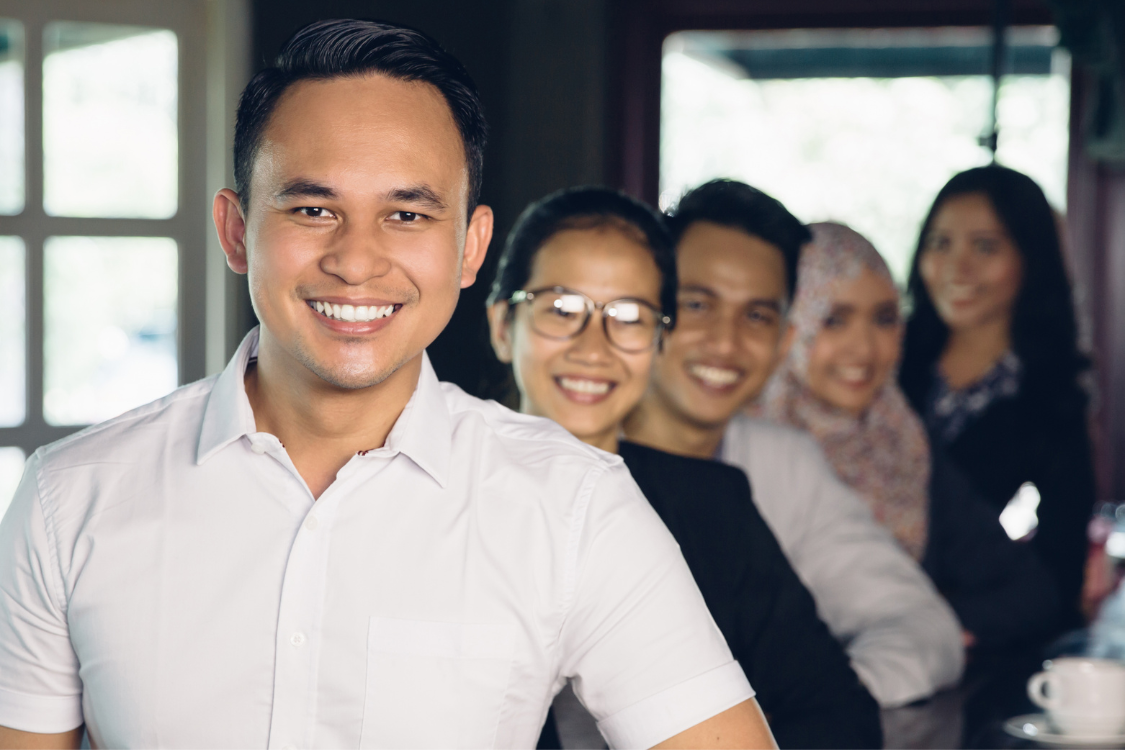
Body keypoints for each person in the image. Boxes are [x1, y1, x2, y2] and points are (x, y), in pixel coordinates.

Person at [0, 22, 774, 749]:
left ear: (470, 248)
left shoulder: (573, 505)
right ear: (237, 232)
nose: (357, 259)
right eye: (312, 208)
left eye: (406, 214)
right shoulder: (71, 498)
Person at [486, 186, 883, 749]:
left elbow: (838, 718)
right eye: (562, 309)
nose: (593, 348)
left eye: (628, 317)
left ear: (658, 339)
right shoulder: (437, 499)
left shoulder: (713, 505)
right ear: (504, 326)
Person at [624, 179, 964, 708]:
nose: (726, 341)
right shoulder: (576, 456)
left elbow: (921, 627)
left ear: (786, 338)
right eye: (697, 304)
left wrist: (802, 712)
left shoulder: (783, 462)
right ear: (649, 310)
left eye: (756, 315)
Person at [759, 221, 1061, 655]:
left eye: (883, 318)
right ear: (790, 324)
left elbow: (1032, 590)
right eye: (834, 319)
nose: (864, 348)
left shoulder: (901, 443)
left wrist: (919, 627)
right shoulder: (739, 447)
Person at [899, 165, 1096, 632]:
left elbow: (1058, 571)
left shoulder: (1051, 396)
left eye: (985, 246)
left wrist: (952, 623)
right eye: (939, 243)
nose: (955, 268)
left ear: (1031, 257)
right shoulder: (882, 358)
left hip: (942, 624)